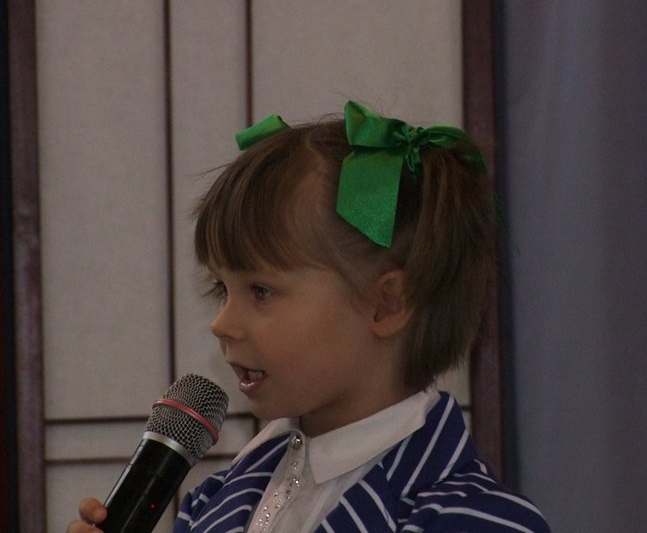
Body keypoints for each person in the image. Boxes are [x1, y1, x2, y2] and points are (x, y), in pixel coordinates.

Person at [67, 101, 550, 532]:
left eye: (261, 291)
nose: (221, 324)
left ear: (387, 304)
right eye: (222, 290)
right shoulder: (214, 501)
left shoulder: (477, 520)